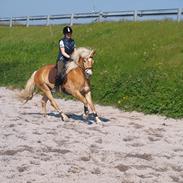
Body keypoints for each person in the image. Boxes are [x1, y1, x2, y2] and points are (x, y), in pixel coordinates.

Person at [54, 25, 76, 91]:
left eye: (70, 33)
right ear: (65, 34)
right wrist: (70, 57)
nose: (69, 35)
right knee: (59, 72)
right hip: (62, 59)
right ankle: (56, 87)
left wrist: (76, 57)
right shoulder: (61, 41)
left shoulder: (73, 41)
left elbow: (75, 51)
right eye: (67, 34)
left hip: (71, 59)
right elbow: (63, 52)